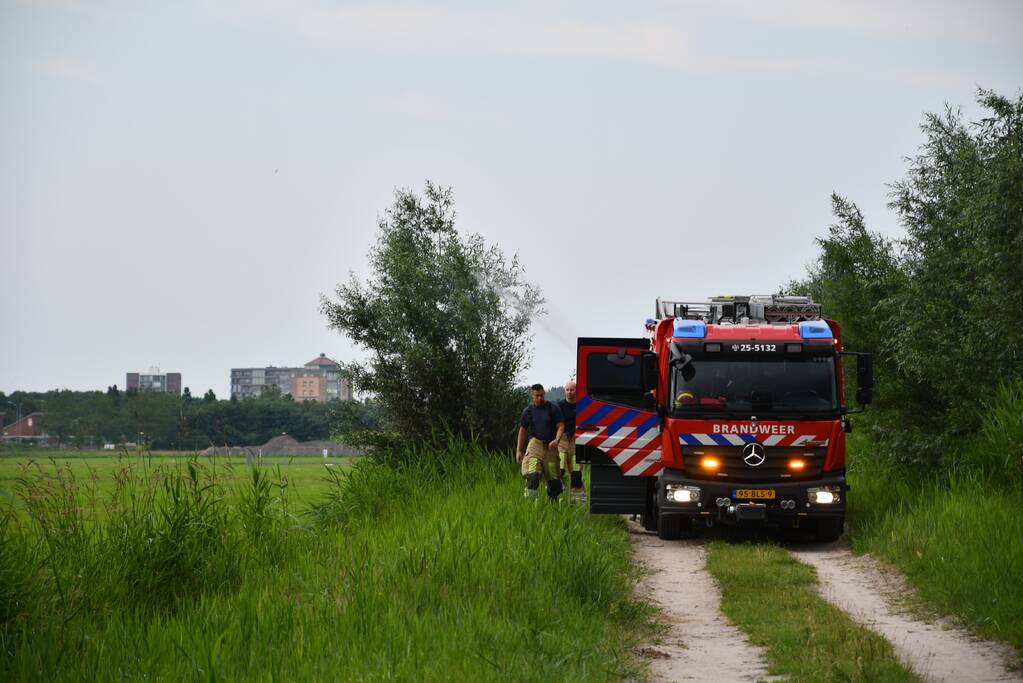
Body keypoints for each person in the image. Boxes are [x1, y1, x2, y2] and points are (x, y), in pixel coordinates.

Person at [516, 384, 565, 501]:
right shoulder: (528, 411)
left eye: (542, 395)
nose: (540, 398)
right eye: (537, 396)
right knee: (532, 476)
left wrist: (557, 440)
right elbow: (522, 430)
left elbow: (561, 426)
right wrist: (519, 450)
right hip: (535, 446)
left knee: (554, 484)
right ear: (532, 396)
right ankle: (531, 504)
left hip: (550, 448)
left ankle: (553, 505)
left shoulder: (553, 408)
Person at [557, 381, 585, 504]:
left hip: (576, 443)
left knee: (576, 474)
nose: (569, 392)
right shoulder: (559, 406)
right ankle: (558, 496)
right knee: (560, 469)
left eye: (572, 390)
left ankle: (577, 501)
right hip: (562, 441)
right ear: (565, 391)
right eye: (567, 390)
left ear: (576, 391)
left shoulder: (582, 406)